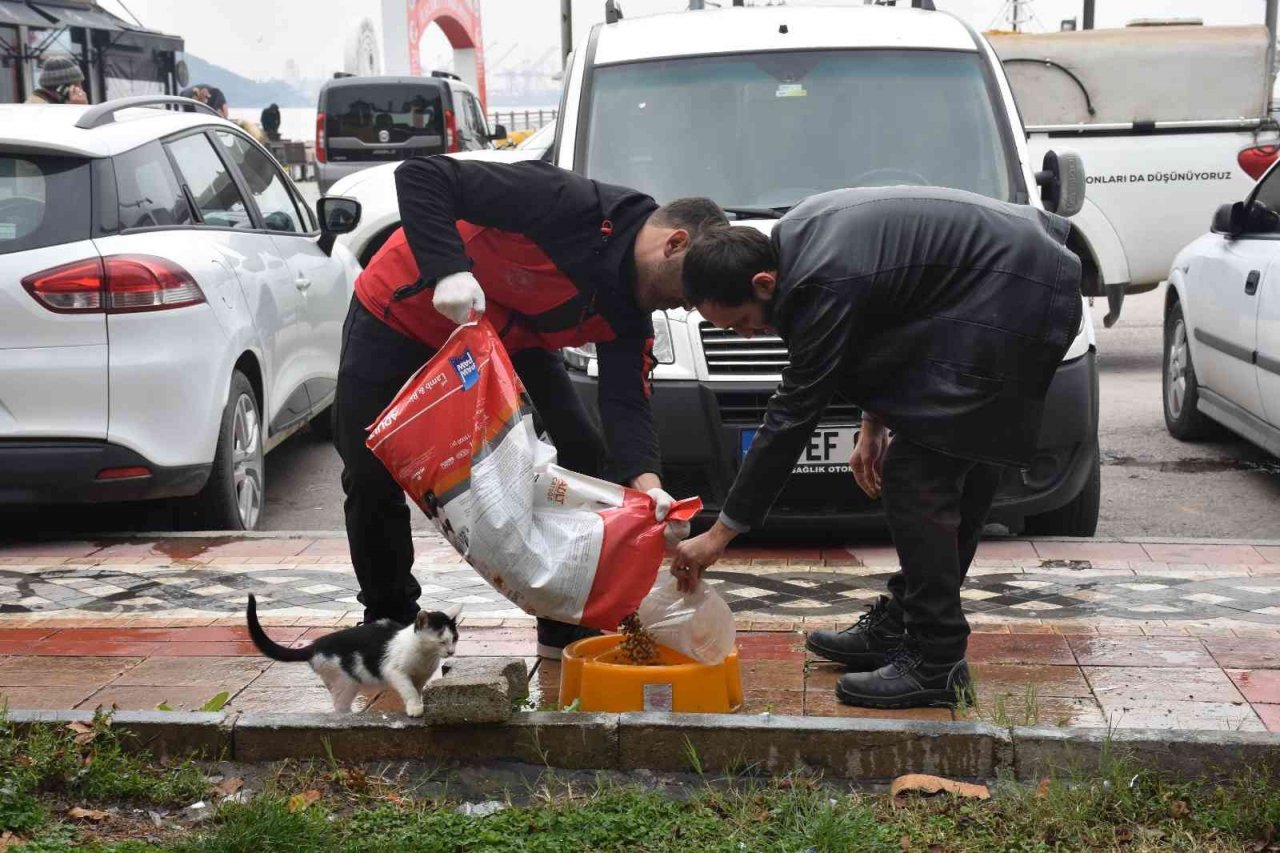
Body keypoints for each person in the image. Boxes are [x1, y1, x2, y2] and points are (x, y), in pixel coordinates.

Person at [670, 187, 1082, 709]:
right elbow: (891, 318)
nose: (751, 337)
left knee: (920, 475)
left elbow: (793, 415)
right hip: (993, 284)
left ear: (763, 283)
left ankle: (937, 662)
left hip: (1017, 289)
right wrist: (873, 423)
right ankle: (906, 622)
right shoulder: (797, 246)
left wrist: (720, 534)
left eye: (744, 324)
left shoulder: (819, 281)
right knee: (949, 464)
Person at [336, 156, 728, 658]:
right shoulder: (566, 203)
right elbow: (420, 175)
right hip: (405, 313)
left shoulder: (633, 305)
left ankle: (563, 620)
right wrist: (448, 270)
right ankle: (387, 621)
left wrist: (651, 489)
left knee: (582, 449)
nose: (684, 308)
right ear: (675, 245)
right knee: (370, 475)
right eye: (688, 294)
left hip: (505, 336)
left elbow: (626, 400)